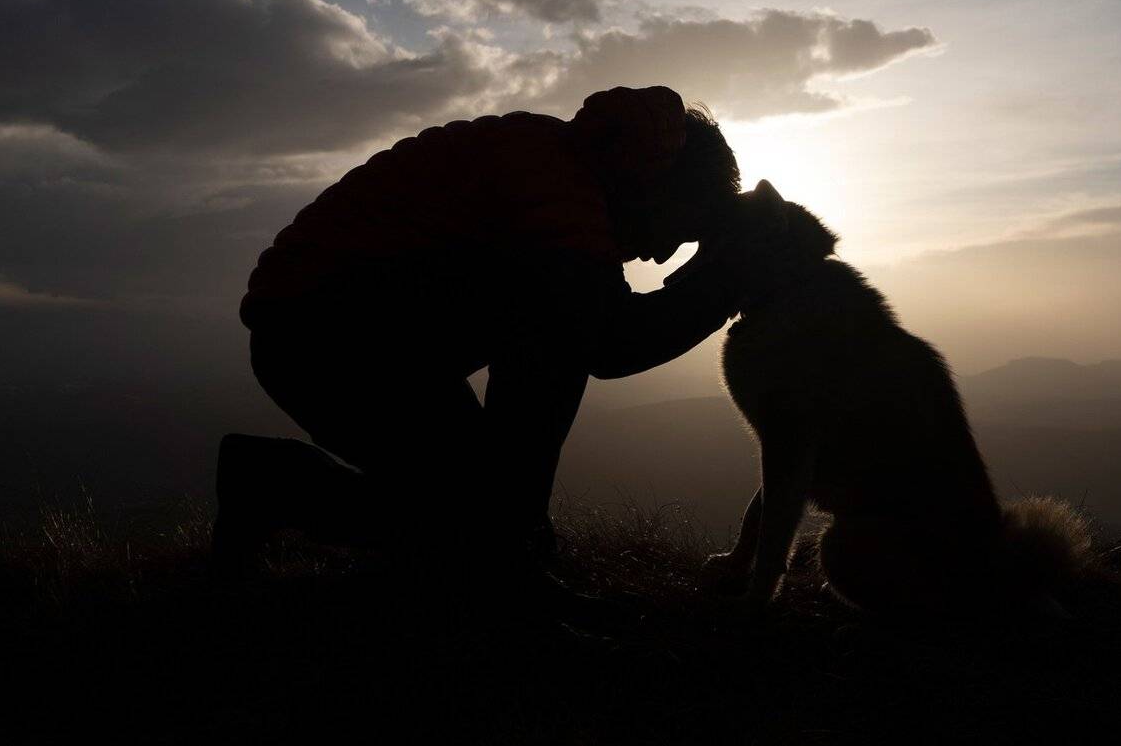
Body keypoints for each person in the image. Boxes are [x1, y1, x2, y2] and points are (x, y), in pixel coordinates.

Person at [214, 86, 743, 594]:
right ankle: (507, 566)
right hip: (324, 339)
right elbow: (606, 343)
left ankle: (270, 480)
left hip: (355, 334)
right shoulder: (556, 188)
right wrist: (727, 285)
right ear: (661, 185)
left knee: (467, 518)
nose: (664, 254)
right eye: (681, 228)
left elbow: (593, 329)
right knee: (483, 516)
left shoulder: (564, 166)